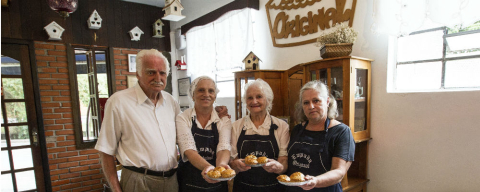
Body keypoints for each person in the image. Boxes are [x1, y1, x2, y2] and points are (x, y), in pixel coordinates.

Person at [95, 49, 229, 192]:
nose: (157, 77)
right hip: (139, 180)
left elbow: (184, 134)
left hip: (171, 180)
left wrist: (217, 112)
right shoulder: (118, 102)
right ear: (138, 74)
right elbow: (106, 151)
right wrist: (115, 189)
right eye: (151, 72)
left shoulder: (170, 101)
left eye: (162, 73)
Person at [286, 81, 355, 192]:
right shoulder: (297, 130)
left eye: (316, 101)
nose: (311, 106)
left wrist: (316, 181)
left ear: (327, 101)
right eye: (306, 103)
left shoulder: (341, 132)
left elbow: (339, 172)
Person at [229, 79, 290, 192]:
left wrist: (279, 167)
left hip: (273, 188)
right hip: (243, 187)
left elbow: (284, 160)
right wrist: (235, 165)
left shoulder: (281, 126)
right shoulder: (236, 126)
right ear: (245, 102)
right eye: (250, 98)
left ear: (268, 100)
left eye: (259, 96)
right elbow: (232, 162)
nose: (254, 101)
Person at [176, 76, 232, 192]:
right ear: (193, 95)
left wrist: (220, 167)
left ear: (215, 96)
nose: (206, 94)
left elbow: (224, 146)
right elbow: (189, 149)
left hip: (217, 185)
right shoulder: (183, 118)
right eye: (201, 90)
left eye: (211, 91)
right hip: (189, 182)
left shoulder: (223, 119)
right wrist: (208, 168)